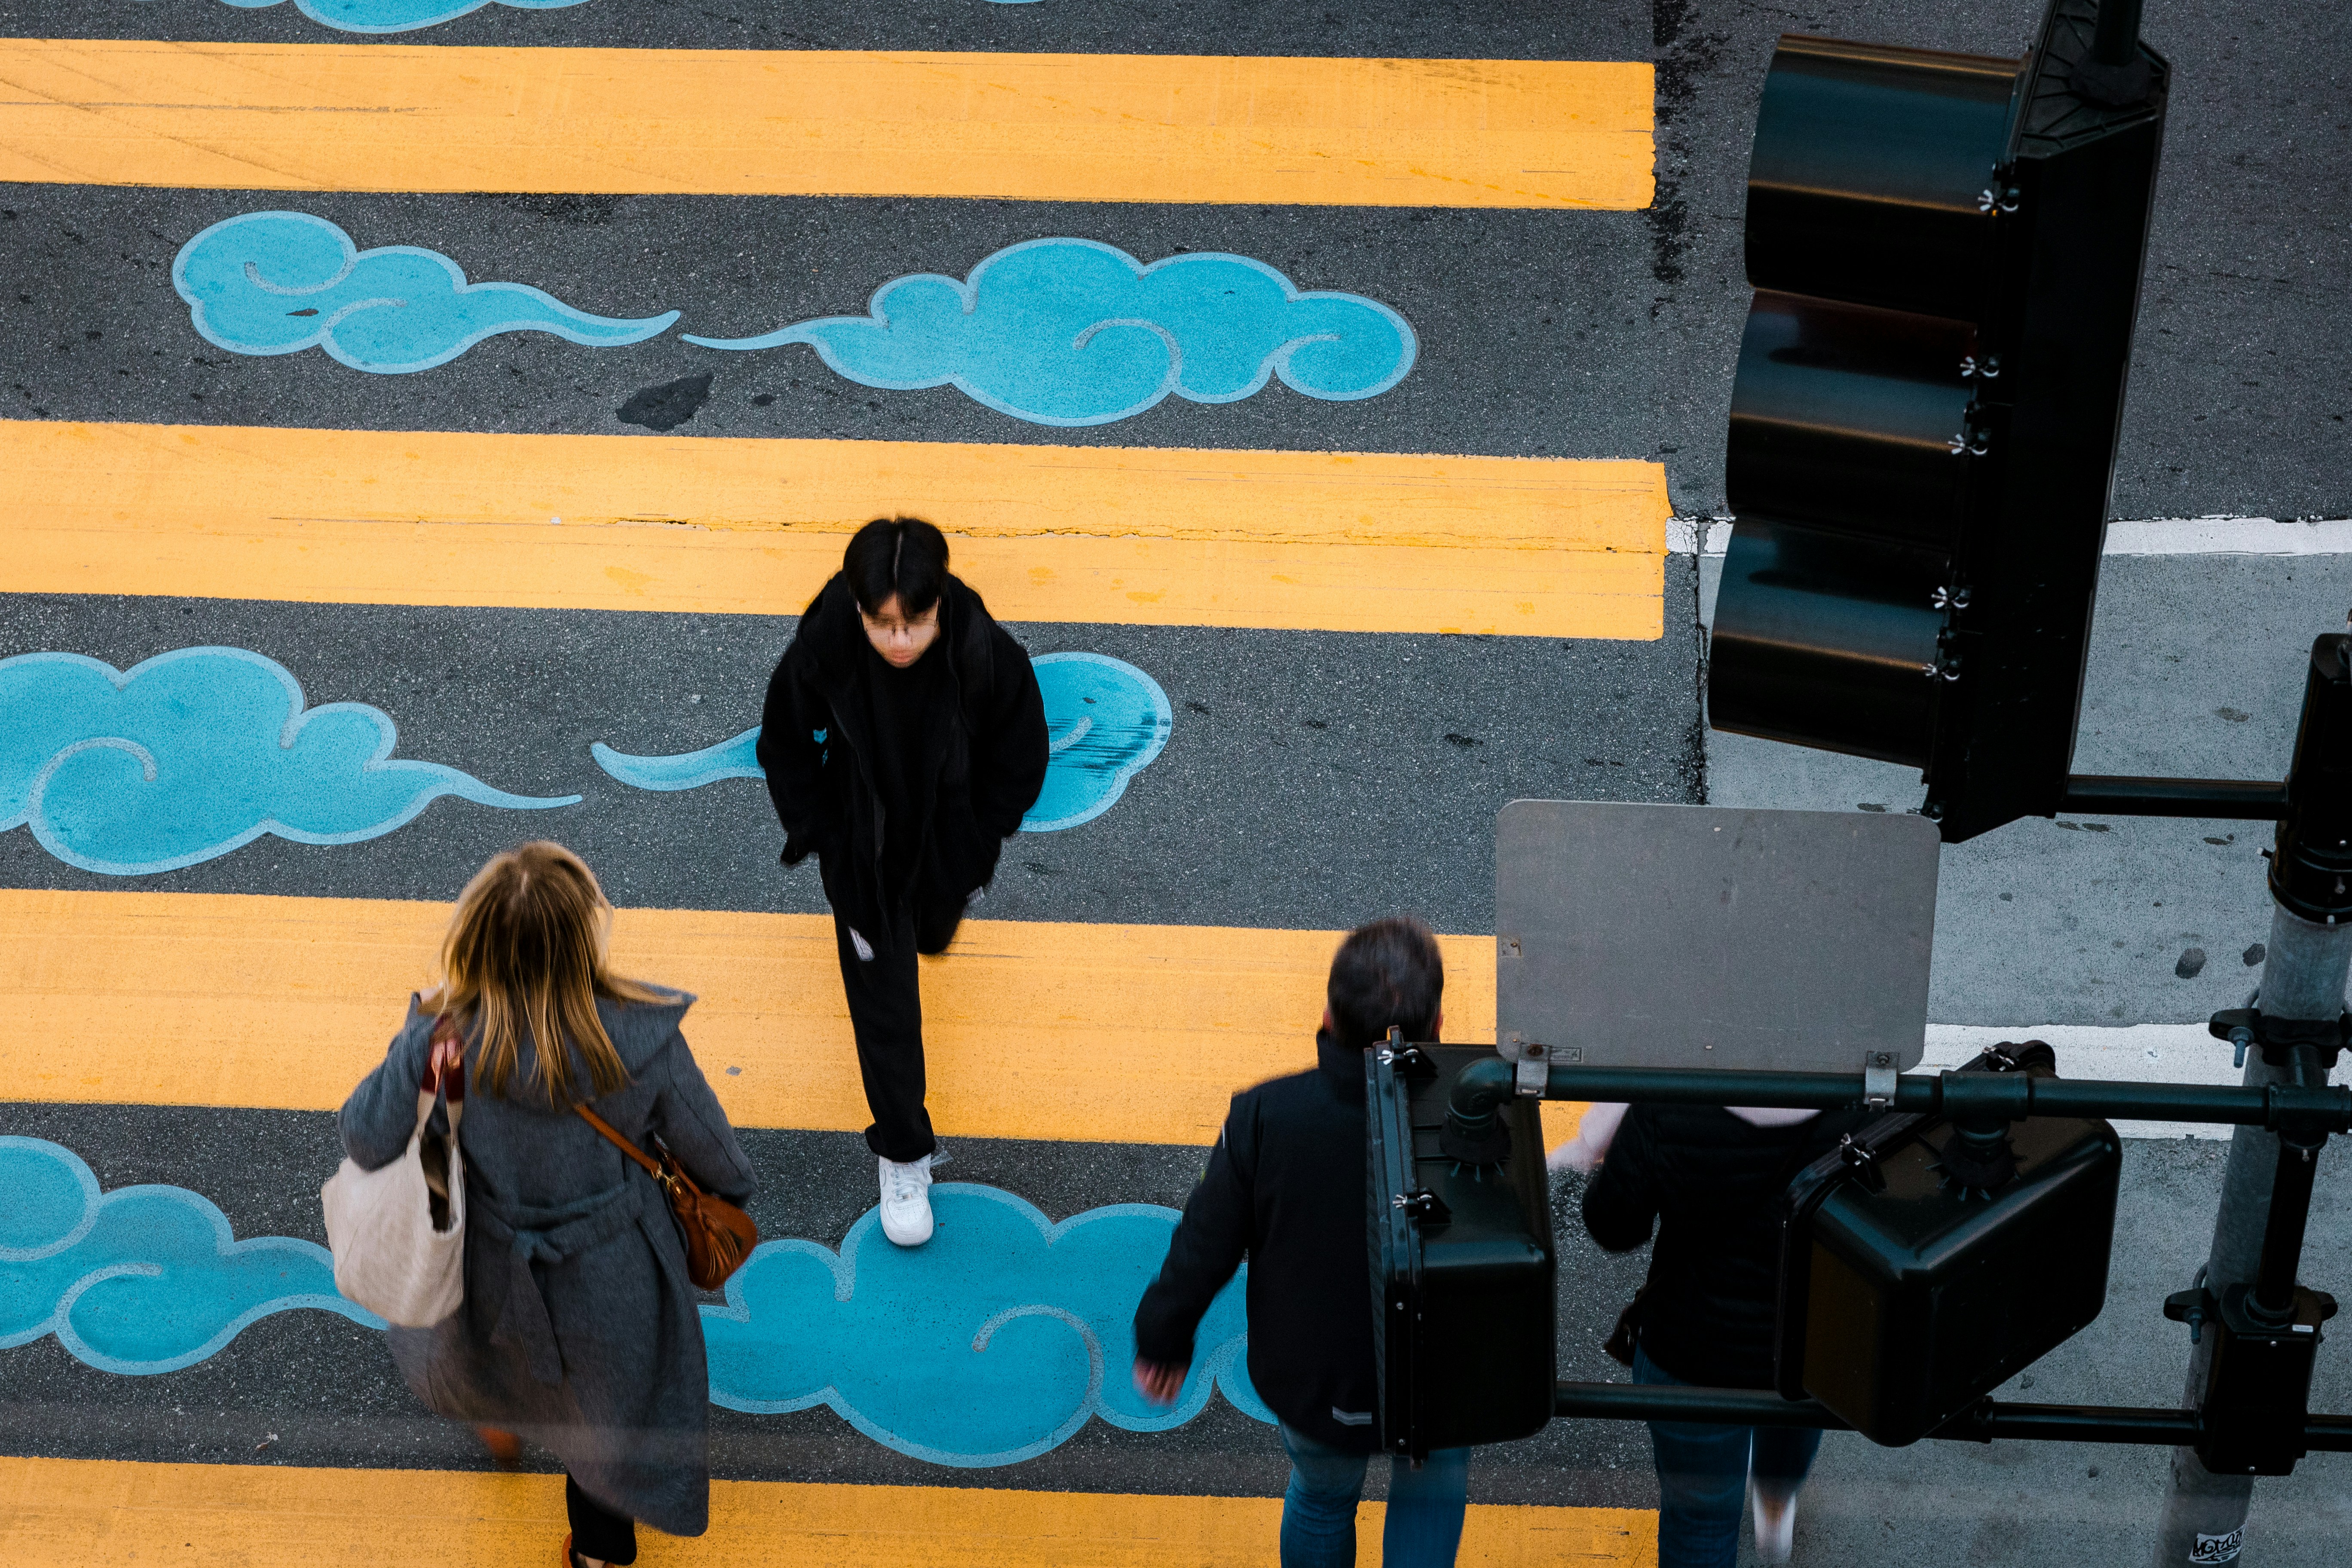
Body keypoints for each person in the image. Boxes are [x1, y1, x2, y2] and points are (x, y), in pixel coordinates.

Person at [338, 842, 755, 1568]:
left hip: (486, 1263)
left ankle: (498, 1417)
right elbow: (717, 1156)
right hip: (614, 1275)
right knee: (608, 1417)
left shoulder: (442, 1039)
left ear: (473, 937)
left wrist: (418, 1040)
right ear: (583, 939)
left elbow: (366, 1136)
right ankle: (597, 1551)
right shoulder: (640, 1038)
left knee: (487, 1359)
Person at [1131, 917, 1470, 1568]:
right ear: (1438, 1027)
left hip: (1319, 1380)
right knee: (1430, 1498)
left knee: (1321, 1500)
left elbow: (1206, 1243)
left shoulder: (1266, 1117)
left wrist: (1163, 1336)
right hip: (1437, 1376)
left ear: (1326, 1014)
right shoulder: (1474, 1112)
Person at [757, 517, 1047, 1246]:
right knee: (884, 1007)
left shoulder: (983, 650)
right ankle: (902, 1149)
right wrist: (823, 835)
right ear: (858, 609)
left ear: (938, 605)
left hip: (947, 845)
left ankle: (942, 897)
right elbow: (783, 742)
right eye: (880, 623)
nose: (897, 640)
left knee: (932, 933)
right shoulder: (824, 646)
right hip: (863, 857)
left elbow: (1022, 750)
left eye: (913, 623)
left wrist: (980, 839)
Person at [1579, 1099, 1865, 1566]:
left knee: (1699, 1525)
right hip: (1808, 1344)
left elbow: (1613, 1226)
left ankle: (1770, 1502)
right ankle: (1775, 1503)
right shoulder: (1866, 1097)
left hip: (1692, 1350)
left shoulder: (1670, 1102)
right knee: (1794, 1426)